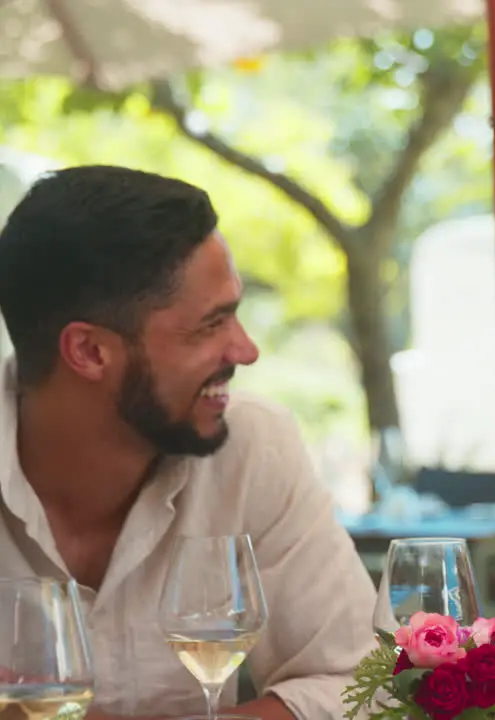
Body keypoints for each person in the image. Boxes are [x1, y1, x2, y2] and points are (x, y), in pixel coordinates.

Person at [0, 166, 376, 719]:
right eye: (210, 325)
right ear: (89, 352)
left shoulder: (254, 446)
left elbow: (358, 682)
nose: (245, 351)